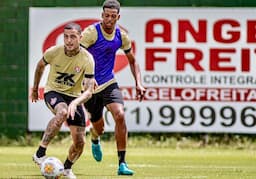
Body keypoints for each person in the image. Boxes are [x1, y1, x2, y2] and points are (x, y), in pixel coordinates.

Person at [70, 0, 146, 176]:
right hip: (88, 87)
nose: (109, 19)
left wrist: (139, 82)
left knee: (120, 115)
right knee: (100, 128)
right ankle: (95, 138)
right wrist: (87, 77)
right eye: (106, 15)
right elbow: (76, 55)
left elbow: (133, 61)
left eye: (113, 16)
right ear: (101, 15)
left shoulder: (122, 36)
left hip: (109, 82)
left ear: (118, 17)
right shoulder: (91, 33)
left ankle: (122, 164)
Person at [31, 22, 95, 179]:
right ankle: (40, 153)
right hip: (54, 92)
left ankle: (66, 169)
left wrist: (75, 102)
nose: (69, 41)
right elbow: (40, 67)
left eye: (73, 37)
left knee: (80, 143)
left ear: (80, 38)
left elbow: (89, 91)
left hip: (75, 97)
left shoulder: (87, 59)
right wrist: (35, 88)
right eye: (66, 37)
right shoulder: (54, 52)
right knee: (62, 112)